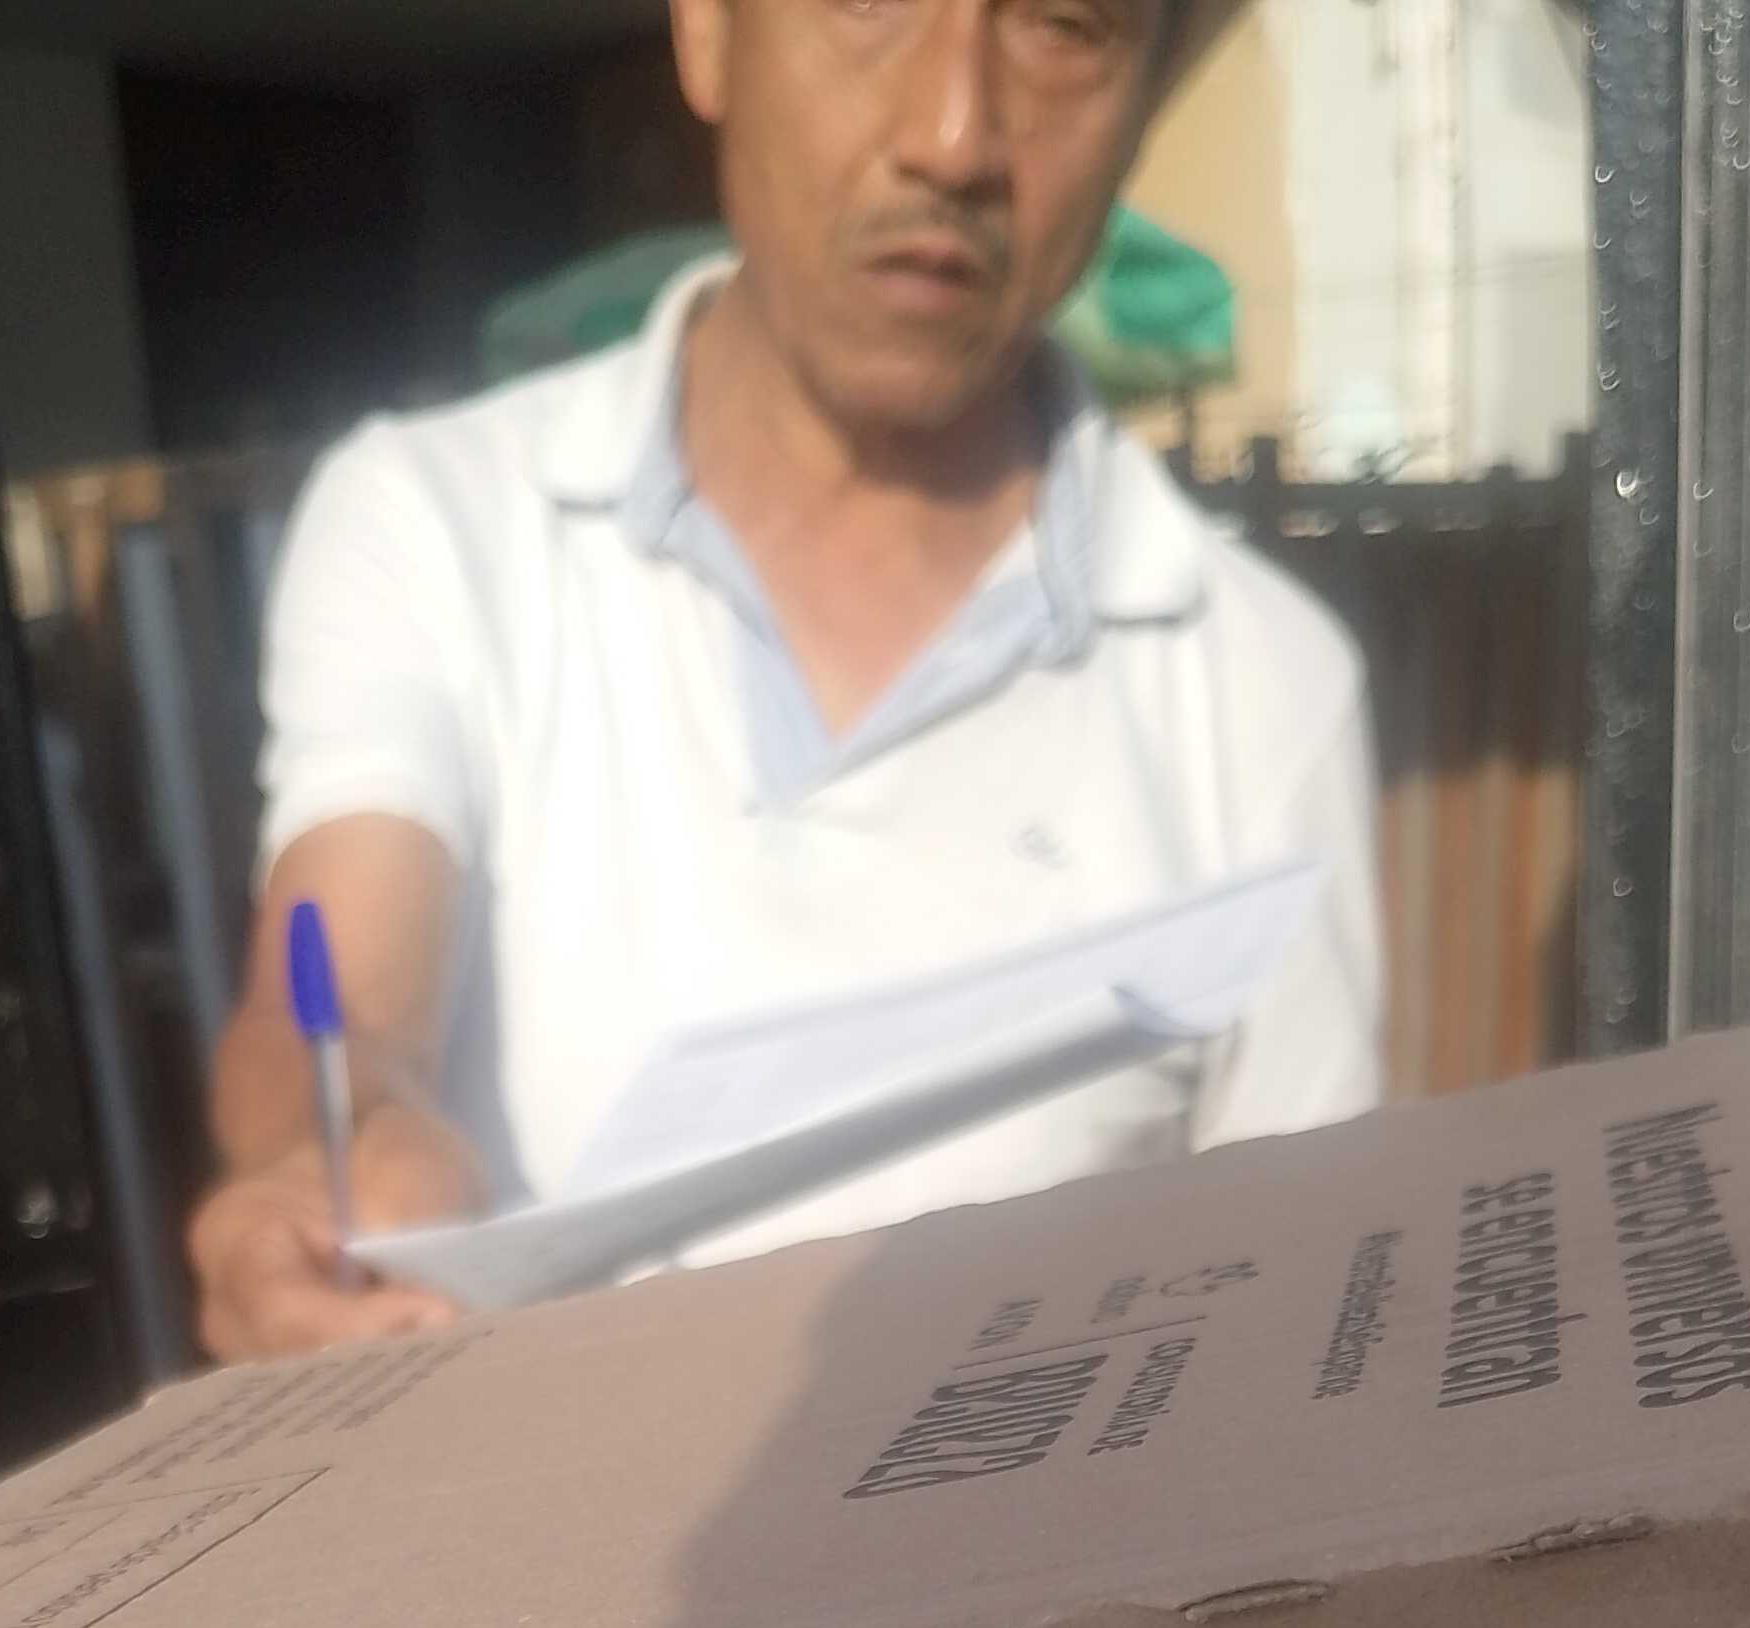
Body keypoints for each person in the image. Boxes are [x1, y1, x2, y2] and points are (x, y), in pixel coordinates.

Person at [190, 0, 1384, 1363]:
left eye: (1066, 25)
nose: (954, 136)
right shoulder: (434, 527)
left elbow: (1303, 1328)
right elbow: (340, 984)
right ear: (706, 33)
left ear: (1147, 97)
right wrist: (334, 1157)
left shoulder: (1265, 688)